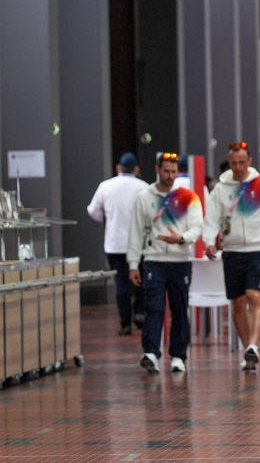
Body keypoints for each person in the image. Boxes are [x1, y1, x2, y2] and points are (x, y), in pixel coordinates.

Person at [203, 141, 260, 371]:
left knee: (255, 297)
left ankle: (253, 346)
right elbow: (212, 218)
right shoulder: (220, 189)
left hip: (258, 249)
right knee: (238, 302)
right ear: (229, 163)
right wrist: (209, 241)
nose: (238, 167)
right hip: (232, 251)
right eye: (233, 163)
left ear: (249, 161)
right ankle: (247, 349)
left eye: (242, 162)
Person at [127, 151, 203, 374]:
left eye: (173, 172)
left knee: (180, 309)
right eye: (166, 171)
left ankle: (179, 355)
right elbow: (135, 232)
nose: (170, 176)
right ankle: (151, 352)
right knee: (154, 307)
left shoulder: (189, 197)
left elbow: (197, 227)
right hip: (154, 259)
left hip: (180, 260)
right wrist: (133, 263)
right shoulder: (144, 197)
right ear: (157, 170)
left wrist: (181, 238)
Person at [87, 151, 147, 336]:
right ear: (137, 169)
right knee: (141, 280)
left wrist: (108, 220)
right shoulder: (143, 187)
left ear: (118, 168)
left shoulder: (105, 186)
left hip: (114, 244)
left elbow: (93, 211)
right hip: (139, 244)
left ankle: (125, 322)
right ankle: (139, 313)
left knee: (121, 283)